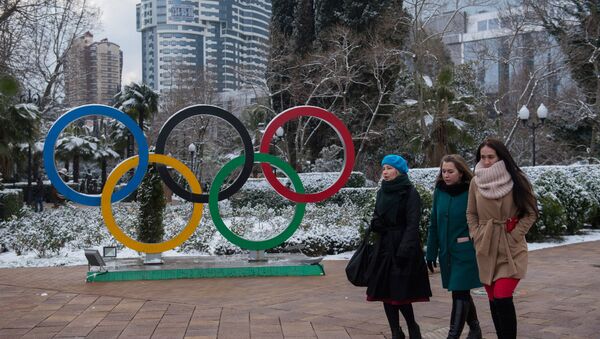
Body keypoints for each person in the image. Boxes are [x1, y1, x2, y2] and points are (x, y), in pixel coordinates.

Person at [466, 138, 538, 339]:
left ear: (501, 156)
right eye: (483, 157)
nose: (487, 161)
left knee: (503, 297)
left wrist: (514, 235)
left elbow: (531, 213)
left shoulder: (518, 180)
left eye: (491, 156)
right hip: (485, 247)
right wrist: (476, 234)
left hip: (511, 248)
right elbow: (470, 213)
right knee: (493, 300)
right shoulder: (475, 181)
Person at [367, 154, 432, 339]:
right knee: (385, 291)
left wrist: (405, 247)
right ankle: (396, 331)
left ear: (399, 170)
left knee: (400, 292)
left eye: (389, 168)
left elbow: (413, 223)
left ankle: (412, 326)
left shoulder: (410, 192)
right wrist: (375, 224)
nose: (385, 172)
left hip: (402, 246)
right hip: (384, 246)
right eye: (384, 168)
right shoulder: (382, 192)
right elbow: (377, 215)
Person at [426, 155, 482, 339]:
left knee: (459, 291)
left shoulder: (471, 191)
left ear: (461, 172)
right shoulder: (440, 192)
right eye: (444, 171)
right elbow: (433, 223)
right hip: (447, 253)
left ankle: (453, 335)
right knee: (461, 290)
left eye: (451, 171)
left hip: (467, 252)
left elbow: (479, 220)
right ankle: (475, 329)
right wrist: (431, 252)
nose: (446, 175)